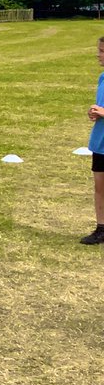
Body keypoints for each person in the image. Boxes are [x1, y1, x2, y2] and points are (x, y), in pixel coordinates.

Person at [81, 36, 104, 245]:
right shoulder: (102, 78)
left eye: (102, 51)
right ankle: (101, 228)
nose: (98, 55)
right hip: (100, 142)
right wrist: (95, 113)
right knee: (99, 186)